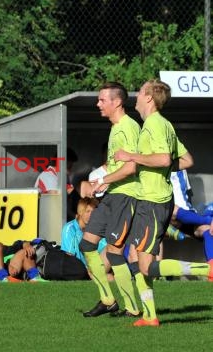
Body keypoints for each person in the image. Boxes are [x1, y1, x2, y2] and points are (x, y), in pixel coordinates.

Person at [114, 79, 212, 327]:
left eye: (141, 91)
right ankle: (150, 316)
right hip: (150, 201)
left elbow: (164, 158)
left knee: (145, 266)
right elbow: (186, 160)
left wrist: (131, 156)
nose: (136, 95)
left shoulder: (155, 124)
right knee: (135, 257)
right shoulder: (163, 125)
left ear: (149, 98)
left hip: (153, 202)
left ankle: (207, 270)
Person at [79, 82, 140, 318]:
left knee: (115, 253)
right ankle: (107, 299)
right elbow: (117, 167)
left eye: (102, 100)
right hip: (112, 195)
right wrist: (102, 182)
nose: (98, 104)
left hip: (126, 196)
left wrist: (105, 180)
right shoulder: (115, 128)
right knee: (86, 244)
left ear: (117, 102)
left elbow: (132, 167)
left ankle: (133, 307)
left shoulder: (128, 127)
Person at [61, 197, 109, 268]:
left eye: (93, 212)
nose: (91, 215)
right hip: (75, 268)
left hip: (93, 267)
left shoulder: (97, 229)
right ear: (80, 212)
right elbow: (69, 255)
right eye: (87, 211)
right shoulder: (70, 228)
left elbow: (105, 246)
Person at [34, 148, 80, 221]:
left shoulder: (63, 177)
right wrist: (76, 217)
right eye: (69, 166)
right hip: (46, 221)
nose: (71, 169)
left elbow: (73, 196)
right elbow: (56, 204)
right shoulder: (49, 176)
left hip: (57, 218)